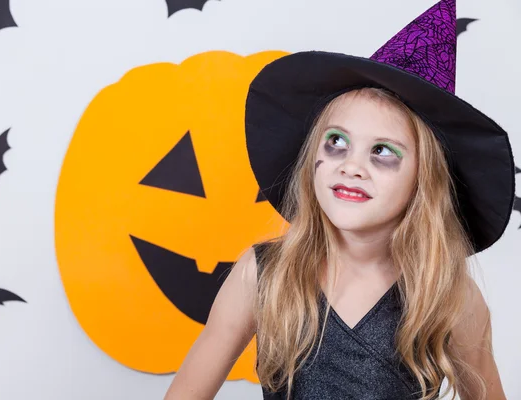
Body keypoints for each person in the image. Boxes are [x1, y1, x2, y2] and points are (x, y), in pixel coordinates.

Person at [164, 0, 515, 398]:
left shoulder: (448, 296)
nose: (351, 166)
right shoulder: (265, 275)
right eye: (336, 142)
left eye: (382, 151)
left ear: (423, 181)